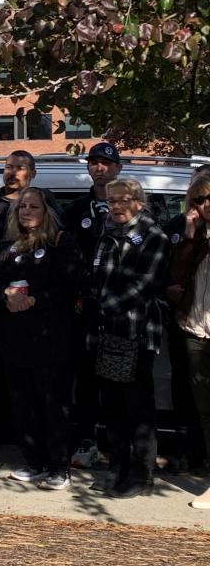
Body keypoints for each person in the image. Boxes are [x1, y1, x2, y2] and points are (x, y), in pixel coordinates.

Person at [0, 188, 84, 490]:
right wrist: (4, 295)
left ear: (47, 212)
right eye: (22, 207)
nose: (27, 211)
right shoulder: (8, 246)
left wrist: (35, 301)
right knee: (23, 404)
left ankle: (60, 467)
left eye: (34, 207)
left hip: (51, 339)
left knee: (53, 405)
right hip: (16, 339)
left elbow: (71, 286)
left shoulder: (61, 243)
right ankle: (35, 461)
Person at [0, 150, 61, 453]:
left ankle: (25, 438)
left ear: (32, 173)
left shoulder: (46, 205)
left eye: (20, 168)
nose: (13, 173)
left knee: (32, 380)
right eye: (8, 167)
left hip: (35, 312)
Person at [91, 178, 170, 497]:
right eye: (112, 201)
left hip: (135, 332)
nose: (117, 206)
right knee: (112, 405)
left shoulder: (154, 236)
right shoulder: (106, 231)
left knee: (138, 406)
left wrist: (103, 305)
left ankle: (142, 475)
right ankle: (117, 466)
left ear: (139, 201)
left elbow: (144, 285)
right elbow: (96, 274)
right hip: (106, 333)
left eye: (124, 200)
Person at [61, 142, 122, 469]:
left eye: (106, 163)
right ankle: (85, 440)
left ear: (118, 168)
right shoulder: (74, 212)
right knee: (84, 382)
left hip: (120, 312)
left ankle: (117, 445)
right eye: (94, 163)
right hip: (83, 312)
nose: (100, 168)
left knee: (117, 383)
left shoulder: (132, 211)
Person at [162, 163, 210, 473]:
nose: (204, 206)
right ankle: (194, 455)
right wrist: (190, 237)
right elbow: (174, 278)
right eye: (198, 199)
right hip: (194, 328)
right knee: (198, 403)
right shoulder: (186, 231)